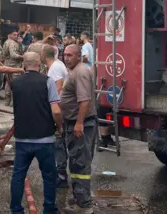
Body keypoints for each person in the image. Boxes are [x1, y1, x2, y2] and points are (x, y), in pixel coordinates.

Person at [10, 52, 63, 214]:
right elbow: (56, 110)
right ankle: (49, 208)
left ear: (23, 64)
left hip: (22, 137)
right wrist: (59, 126)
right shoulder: (47, 82)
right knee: (48, 176)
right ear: (40, 64)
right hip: (44, 138)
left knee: (18, 175)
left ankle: (16, 209)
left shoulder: (15, 83)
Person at [60, 44, 97, 214]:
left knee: (80, 163)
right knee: (76, 161)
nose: (66, 58)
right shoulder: (75, 71)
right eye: (64, 55)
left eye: (70, 55)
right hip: (74, 123)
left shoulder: (81, 72)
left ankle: (83, 203)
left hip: (80, 124)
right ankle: (79, 196)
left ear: (79, 56)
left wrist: (79, 123)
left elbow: (84, 100)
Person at [42, 45, 69, 188]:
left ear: (44, 55)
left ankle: (61, 175)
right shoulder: (56, 66)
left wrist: (53, 109)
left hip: (59, 108)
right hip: (60, 107)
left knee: (59, 142)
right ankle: (61, 172)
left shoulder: (55, 68)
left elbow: (58, 88)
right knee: (60, 142)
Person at [2, 31, 23, 107]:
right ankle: (13, 102)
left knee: (8, 83)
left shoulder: (6, 42)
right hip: (14, 66)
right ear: (9, 35)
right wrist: (23, 57)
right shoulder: (12, 43)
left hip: (7, 65)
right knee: (15, 84)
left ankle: (7, 101)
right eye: (14, 35)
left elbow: (3, 54)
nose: (16, 36)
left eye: (17, 35)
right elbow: (13, 55)